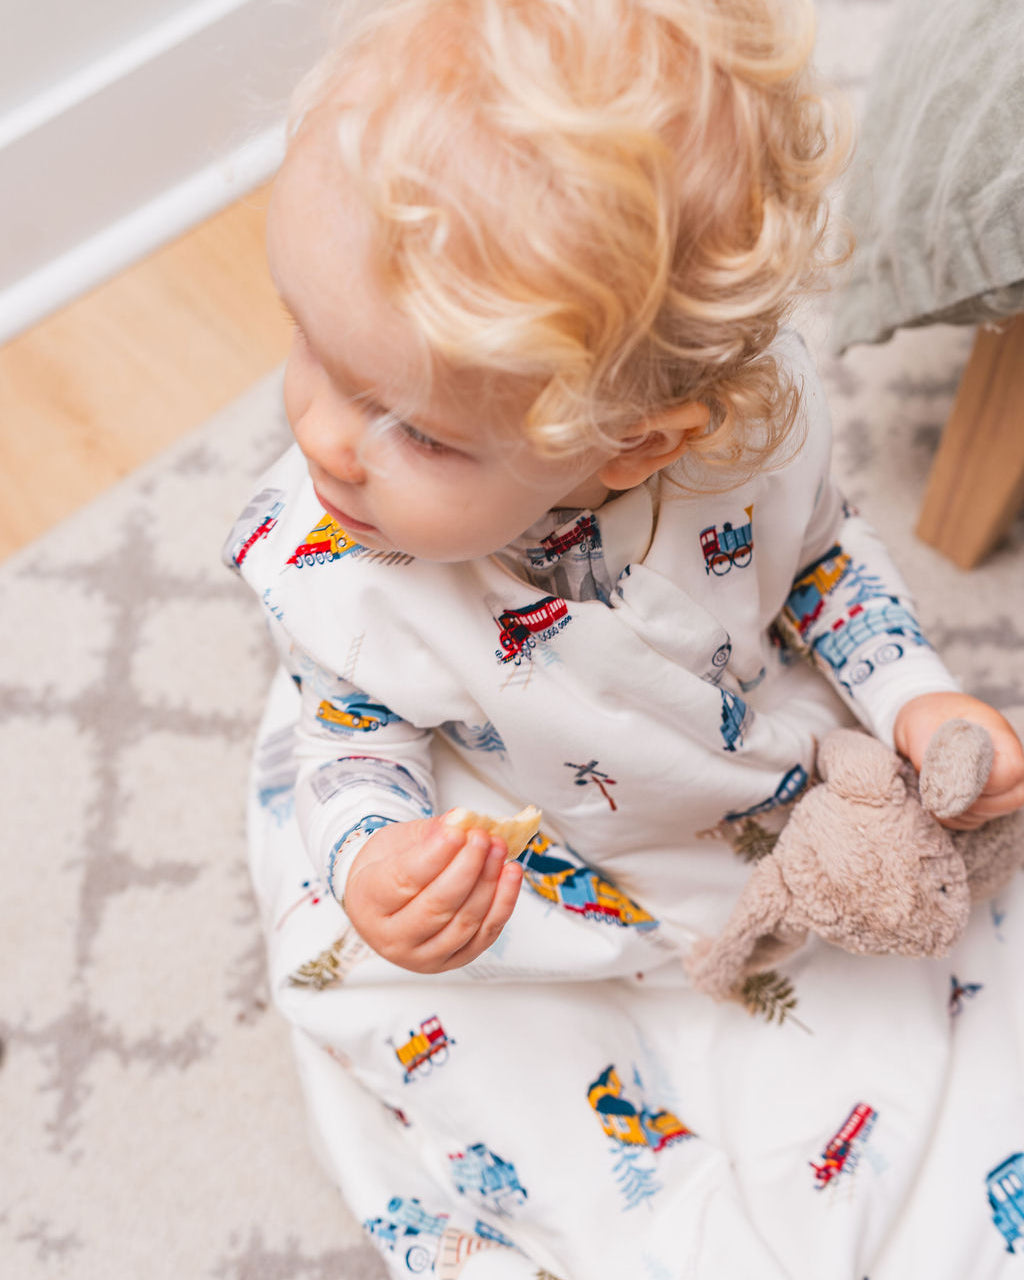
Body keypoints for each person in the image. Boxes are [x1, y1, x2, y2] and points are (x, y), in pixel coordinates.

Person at [223, 1, 1024, 1275]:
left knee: (942, 983)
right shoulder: (343, 573)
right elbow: (347, 726)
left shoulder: (742, 451)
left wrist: (912, 697)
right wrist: (374, 857)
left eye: (416, 430)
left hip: (728, 787)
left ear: (641, 443)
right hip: (497, 840)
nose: (321, 436)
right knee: (485, 1069)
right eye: (310, 346)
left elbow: (820, 564)